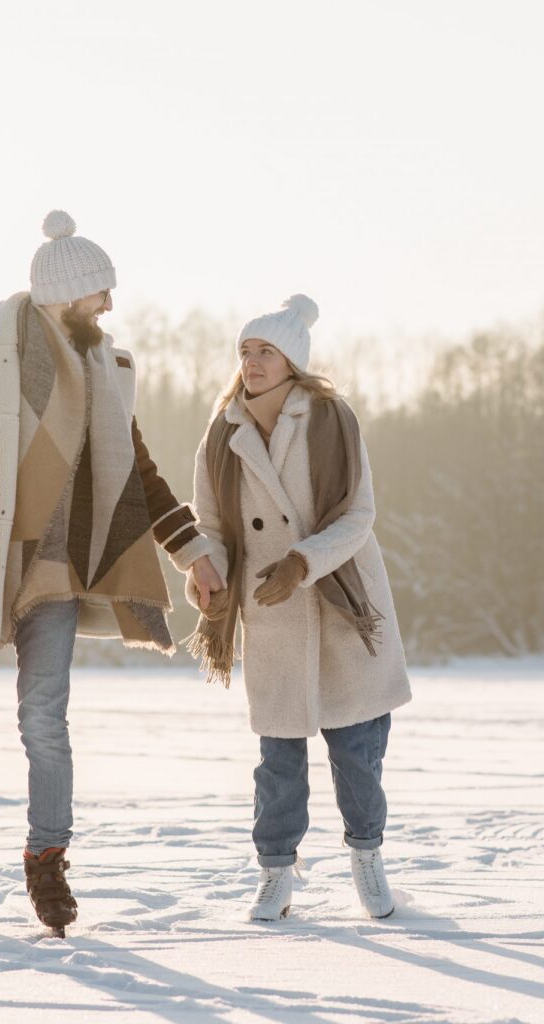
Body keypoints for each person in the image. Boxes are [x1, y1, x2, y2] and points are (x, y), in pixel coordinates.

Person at [0, 210, 221, 935]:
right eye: (98, 294)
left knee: (45, 724)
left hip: (56, 576)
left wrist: (193, 550)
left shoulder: (107, 371)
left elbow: (138, 473)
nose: (109, 307)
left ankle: (47, 862)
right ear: (64, 294)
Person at [184, 294, 411, 921]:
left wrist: (302, 562)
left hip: (340, 599)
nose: (252, 363)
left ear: (292, 362)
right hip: (270, 609)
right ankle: (277, 874)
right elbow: (210, 522)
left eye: (266, 352)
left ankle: (367, 857)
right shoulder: (223, 430)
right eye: (246, 352)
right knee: (278, 760)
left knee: (357, 752)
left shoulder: (333, 419)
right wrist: (209, 572)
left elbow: (359, 514)